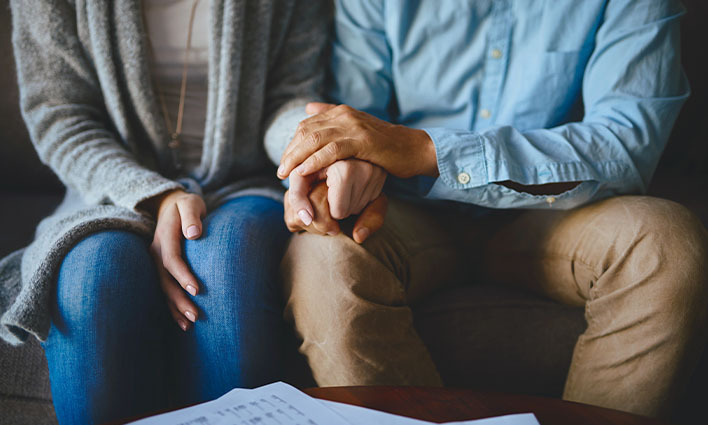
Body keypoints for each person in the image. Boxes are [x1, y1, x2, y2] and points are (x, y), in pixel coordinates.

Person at [272, 0, 708, 419]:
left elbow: (625, 145)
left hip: (555, 215)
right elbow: (352, 118)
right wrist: (340, 171)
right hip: (407, 213)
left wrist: (426, 150)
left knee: (666, 242)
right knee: (323, 256)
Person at [0, 0, 330, 423]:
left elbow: (291, 97)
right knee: (93, 274)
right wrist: (155, 195)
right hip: (109, 188)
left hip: (244, 180)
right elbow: (60, 116)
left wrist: (307, 145)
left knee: (226, 264)